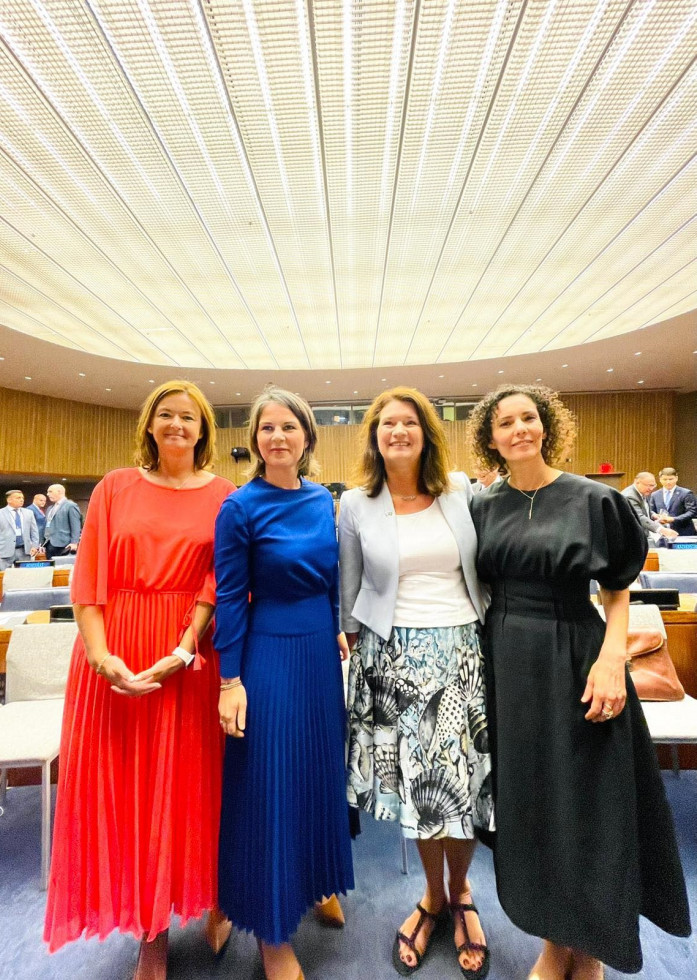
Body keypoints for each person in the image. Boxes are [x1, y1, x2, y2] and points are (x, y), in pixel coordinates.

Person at [467, 384, 691, 979]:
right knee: (532, 804)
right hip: (507, 662)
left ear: (546, 427)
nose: (518, 429)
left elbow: (618, 592)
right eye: (505, 422)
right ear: (490, 437)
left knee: (587, 802)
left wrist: (612, 659)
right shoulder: (483, 507)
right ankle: (552, 942)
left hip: (577, 652)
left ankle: (588, 950)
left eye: (528, 418)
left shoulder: (595, 499)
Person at [44, 380, 236, 980]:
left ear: (204, 429)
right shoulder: (113, 488)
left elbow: (220, 579)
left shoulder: (226, 494)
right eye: (166, 415)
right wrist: (103, 658)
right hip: (115, 657)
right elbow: (89, 581)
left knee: (193, 791)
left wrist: (184, 648)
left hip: (188, 657)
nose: (178, 424)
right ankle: (150, 931)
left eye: (189, 417)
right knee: (130, 794)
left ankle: (211, 899)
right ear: (150, 425)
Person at [340, 387, 493, 979]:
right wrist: (344, 641)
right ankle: (435, 896)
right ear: (374, 437)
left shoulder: (461, 492)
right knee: (422, 790)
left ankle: (463, 894)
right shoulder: (355, 503)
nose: (398, 431)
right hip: (389, 655)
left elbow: (487, 569)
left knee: (460, 784)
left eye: (409, 422)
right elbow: (348, 588)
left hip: (461, 651)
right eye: (387, 424)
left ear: (426, 432)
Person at [214, 385, 354, 980]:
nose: (277, 437)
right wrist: (230, 679)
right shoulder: (240, 507)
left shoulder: (324, 499)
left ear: (306, 437)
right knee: (269, 783)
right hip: (267, 653)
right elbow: (228, 596)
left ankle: (315, 879)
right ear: (255, 440)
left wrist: (336, 629)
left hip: (320, 655)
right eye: (266, 428)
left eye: (288, 428)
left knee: (317, 772)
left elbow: (330, 579)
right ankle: (272, 934)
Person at [0, 489, 39, 570]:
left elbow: (34, 531)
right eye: (18, 498)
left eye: (22, 498)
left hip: (24, 551)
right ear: (9, 500)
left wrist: (35, 546)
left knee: (25, 578)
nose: (21, 500)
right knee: (4, 579)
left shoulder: (29, 513)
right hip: (3, 552)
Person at [621, 472, 677, 544]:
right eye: (648, 485)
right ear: (637, 482)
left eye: (653, 485)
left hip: (643, 535)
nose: (651, 489)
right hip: (633, 538)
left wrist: (654, 515)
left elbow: (644, 509)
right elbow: (639, 517)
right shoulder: (630, 496)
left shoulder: (642, 492)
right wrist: (661, 530)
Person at [649, 467, 697, 536]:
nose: (668, 482)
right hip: (663, 533)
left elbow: (692, 512)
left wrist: (673, 519)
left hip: (683, 532)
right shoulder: (655, 495)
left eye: (671, 479)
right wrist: (656, 516)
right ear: (660, 480)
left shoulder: (686, 493)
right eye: (665, 479)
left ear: (676, 478)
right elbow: (650, 511)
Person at [43, 483, 82, 557]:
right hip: (49, 544)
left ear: (59, 492)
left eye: (50, 491)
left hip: (64, 545)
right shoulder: (50, 508)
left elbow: (75, 526)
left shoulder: (70, 506)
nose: (48, 494)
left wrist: (74, 542)